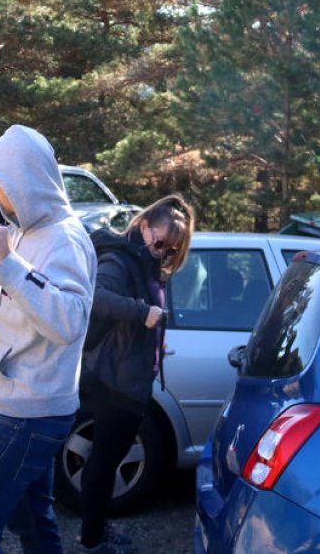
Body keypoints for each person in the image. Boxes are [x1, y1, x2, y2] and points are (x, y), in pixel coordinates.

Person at [0, 125, 97, 554]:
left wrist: (8, 263)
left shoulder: (64, 238)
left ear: (24, 182)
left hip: (28, 410)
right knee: (32, 521)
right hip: (22, 403)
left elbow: (69, 321)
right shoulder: (21, 228)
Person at [76, 195, 194, 554]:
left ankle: (95, 529)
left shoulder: (144, 263)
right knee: (103, 461)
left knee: (106, 459)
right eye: (160, 243)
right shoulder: (120, 259)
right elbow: (95, 296)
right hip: (113, 379)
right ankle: (92, 539)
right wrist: (143, 313)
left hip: (129, 377)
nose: (163, 253)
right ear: (143, 226)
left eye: (171, 250)